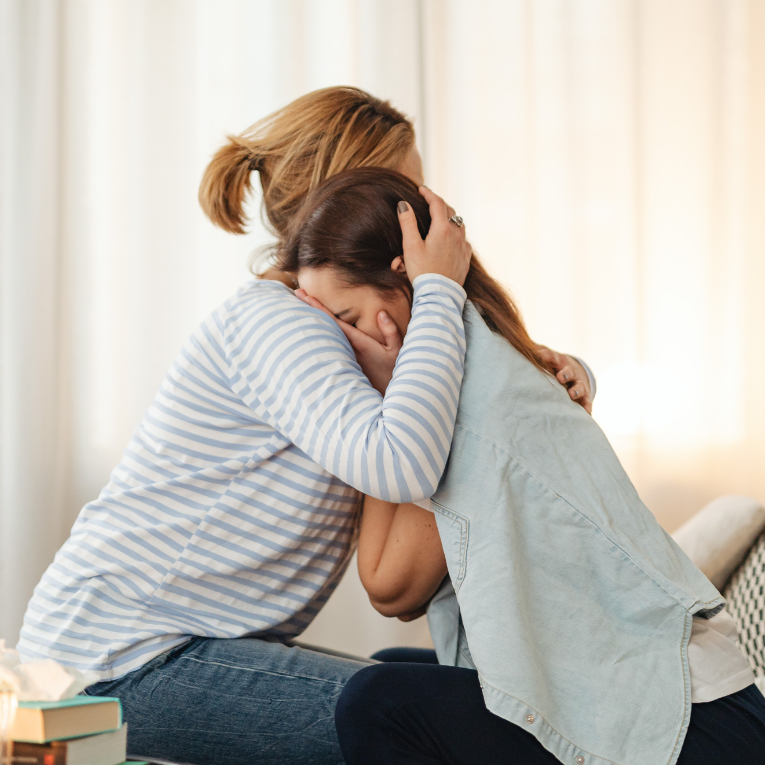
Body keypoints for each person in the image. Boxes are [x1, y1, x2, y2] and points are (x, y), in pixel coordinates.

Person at [15, 87, 592, 765]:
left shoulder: (337, 332)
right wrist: (439, 288)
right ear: (345, 199)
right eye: (406, 194)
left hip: (169, 646)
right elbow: (401, 461)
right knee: (420, 721)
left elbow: (447, 421)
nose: (426, 220)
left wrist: (559, 368)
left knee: (419, 692)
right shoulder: (277, 322)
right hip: (115, 659)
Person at [282, 167, 765, 765]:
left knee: (376, 701)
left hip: (690, 722)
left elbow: (390, 586)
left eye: (349, 321)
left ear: (405, 281)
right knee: (391, 670)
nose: (344, 348)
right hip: (648, 697)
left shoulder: (472, 390)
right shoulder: (470, 355)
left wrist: (388, 395)